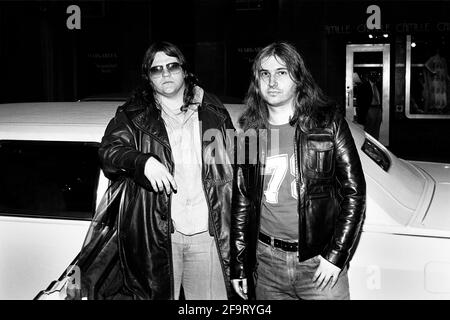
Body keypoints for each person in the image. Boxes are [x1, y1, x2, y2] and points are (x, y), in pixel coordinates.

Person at [97, 41, 236, 300]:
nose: (165, 74)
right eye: (156, 69)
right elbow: (108, 152)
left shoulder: (214, 111)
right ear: (148, 78)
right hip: (158, 236)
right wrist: (142, 162)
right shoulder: (133, 115)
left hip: (206, 233)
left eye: (172, 66)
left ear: (184, 71)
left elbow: (235, 168)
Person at [230, 42, 366, 300]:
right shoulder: (248, 134)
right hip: (266, 264)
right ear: (256, 82)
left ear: (298, 79)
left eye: (281, 72)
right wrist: (239, 265)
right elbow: (242, 202)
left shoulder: (327, 124)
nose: (272, 81)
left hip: (319, 265)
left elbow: (354, 193)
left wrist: (336, 256)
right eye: (264, 73)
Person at [357, 70, 382, 140]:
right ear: (369, 76)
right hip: (370, 109)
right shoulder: (363, 86)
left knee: (377, 129)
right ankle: (367, 144)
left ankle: (376, 144)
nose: (374, 76)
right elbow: (360, 101)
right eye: (372, 74)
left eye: (375, 74)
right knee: (369, 129)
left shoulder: (379, 85)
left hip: (378, 109)